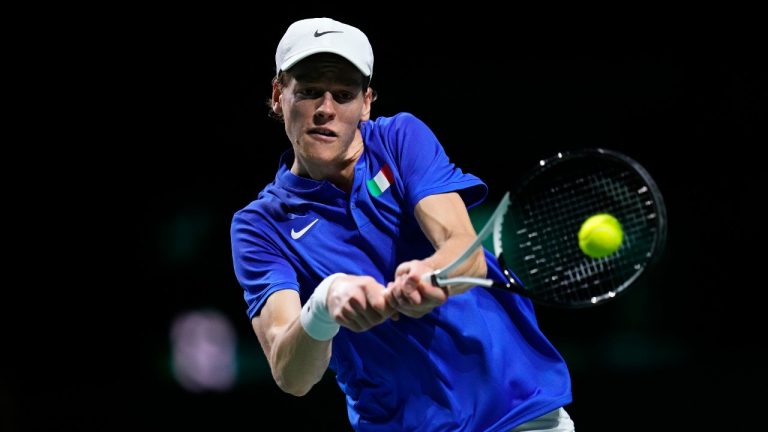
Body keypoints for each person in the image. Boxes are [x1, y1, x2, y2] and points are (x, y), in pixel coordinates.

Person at [230, 17, 575, 431]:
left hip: (517, 412)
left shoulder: (400, 140)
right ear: (277, 94)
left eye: (343, 94)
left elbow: (463, 249)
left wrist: (433, 276)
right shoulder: (259, 227)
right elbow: (292, 375)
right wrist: (323, 304)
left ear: (367, 102)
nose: (325, 109)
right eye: (308, 91)